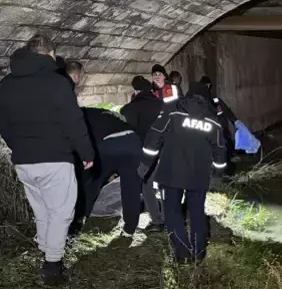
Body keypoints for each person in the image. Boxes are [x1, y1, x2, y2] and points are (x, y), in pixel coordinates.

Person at [0, 34, 94, 285]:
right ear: (50, 54)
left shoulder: (6, 84)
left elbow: (4, 124)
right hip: (55, 158)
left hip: (24, 161)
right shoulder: (57, 82)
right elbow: (73, 121)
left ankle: (44, 249)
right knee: (61, 212)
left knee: (41, 208)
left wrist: (18, 147)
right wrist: (86, 153)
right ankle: (52, 266)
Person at [137, 81, 227, 264]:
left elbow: (155, 135)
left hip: (171, 172)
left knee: (171, 213)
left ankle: (183, 253)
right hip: (199, 175)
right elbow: (220, 149)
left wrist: (144, 166)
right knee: (197, 213)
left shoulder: (172, 109)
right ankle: (199, 253)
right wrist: (218, 174)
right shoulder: (212, 118)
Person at [76, 107, 142, 237]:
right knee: (131, 188)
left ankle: (79, 219)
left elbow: (85, 142)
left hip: (109, 143)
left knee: (91, 182)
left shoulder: (79, 115)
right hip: (133, 141)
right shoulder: (106, 113)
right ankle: (129, 229)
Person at [120, 76, 165, 232]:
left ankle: (157, 221)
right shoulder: (162, 105)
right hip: (166, 151)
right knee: (165, 186)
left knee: (145, 185)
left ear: (136, 90)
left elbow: (127, 127)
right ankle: (169, 219)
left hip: (146, 154)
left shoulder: (131, 108)